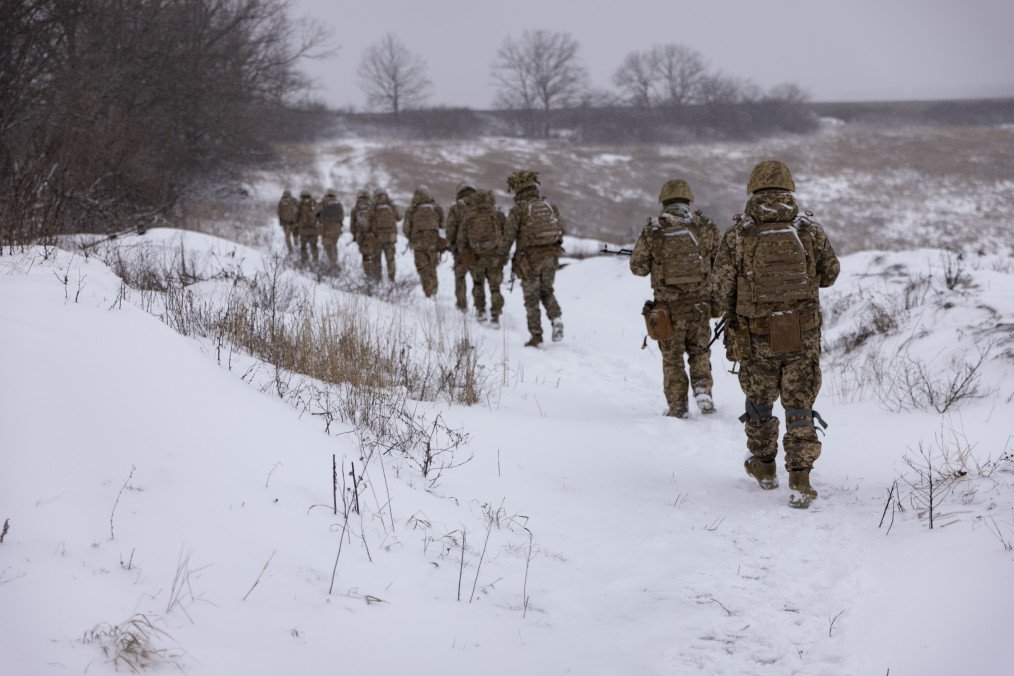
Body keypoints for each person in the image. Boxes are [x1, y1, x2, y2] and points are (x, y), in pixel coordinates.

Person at [712, 160, 840, 508]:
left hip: (756, 336)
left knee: (760, 401)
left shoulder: (738, 233)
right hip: (801, 332)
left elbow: (721, 289)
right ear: (789, 189)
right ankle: (800, 479)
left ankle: (765, 467)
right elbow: (830, 273)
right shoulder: (808, 229)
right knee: (799, 402)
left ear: (753, 190)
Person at [630, 179, 721, 418]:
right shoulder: (704, 226)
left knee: (672, 360)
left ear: (664, 202)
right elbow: (720, 261)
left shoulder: (654, 229)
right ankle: (702, 390)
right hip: (700, 307)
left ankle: (678, 407)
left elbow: (637, 268)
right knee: (699, 351)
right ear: (688, 200)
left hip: (668, 311)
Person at [502, 170, 565, 347]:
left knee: (531, 298)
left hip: (529, 261)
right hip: (551, 256)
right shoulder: (549, 206)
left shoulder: (518, 210)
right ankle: (556, 318)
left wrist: (501, 258)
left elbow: (508, 237)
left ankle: (536, 335)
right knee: (547, 291)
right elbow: (562, 230)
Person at [460, 188, 506, 325]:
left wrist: (465, 254)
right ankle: (495, 316)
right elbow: (506, 236)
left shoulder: (469, 216)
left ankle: (480, 312)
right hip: (495, 258)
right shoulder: (498, 215)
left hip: (476, 258)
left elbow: (461, 238)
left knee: (478, 284)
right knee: (495, 287)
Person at [402, 186, 445, 297]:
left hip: (418, 244)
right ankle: (434, 290)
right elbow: (443, 225)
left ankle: (428, 291)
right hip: (433, 243)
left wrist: (412, 237)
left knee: (423, 268)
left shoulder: (411, 210)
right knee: (432, 267)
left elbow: (406, 229)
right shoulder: (436, 208)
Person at [445, 181, 476, 312]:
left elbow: (450, 228)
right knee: (478, 280)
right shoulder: (481, 205)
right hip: (479, 250)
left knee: (460, 278)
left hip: (461, 251)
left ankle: (462, 305)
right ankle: (480, 308)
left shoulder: (456, 208)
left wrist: (451, 244)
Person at [368, 188, 400, 282]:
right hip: (390, 237)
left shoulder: (373, 206)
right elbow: (399, 217)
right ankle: (391, 278)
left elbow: (367, 222)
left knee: (376, 260)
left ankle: (377, 279)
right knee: (390, 259)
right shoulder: (391, 205)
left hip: (377, 237)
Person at [349, 189, 374, 277]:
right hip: (372, 235)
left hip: (361, 235)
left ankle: (368, 275)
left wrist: (354, 235)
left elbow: (352, 225)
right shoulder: (373, 206)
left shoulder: (355, 208)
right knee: (374, 255)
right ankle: (376, 275)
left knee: (365, 256)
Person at [318, 189, 344, 271]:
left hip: (326, 229)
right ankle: (335, 261)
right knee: (334, 245)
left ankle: (332, 264)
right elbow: (342, 216)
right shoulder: (338, 203)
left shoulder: (322, 202)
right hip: (336, 228)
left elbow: (314, 213)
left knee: (328, 246)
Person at [295, 191, 319, 264]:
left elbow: (296, 216)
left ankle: (304, 261)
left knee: (303, 247)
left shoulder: (299, 204)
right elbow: (319, 215)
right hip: (313, 230)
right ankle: (316, 261)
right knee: (314, 246)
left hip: (303, 230)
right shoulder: (314, 203)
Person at [277, 190, 298, 254]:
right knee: (295, 236)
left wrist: (281, 221)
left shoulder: (281, 201)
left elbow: (279, 212)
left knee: (287, 237)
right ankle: (297, 249)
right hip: (294, 222)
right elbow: (298, 211)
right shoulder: (294, 200)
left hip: (285, 223)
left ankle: (290, 250)